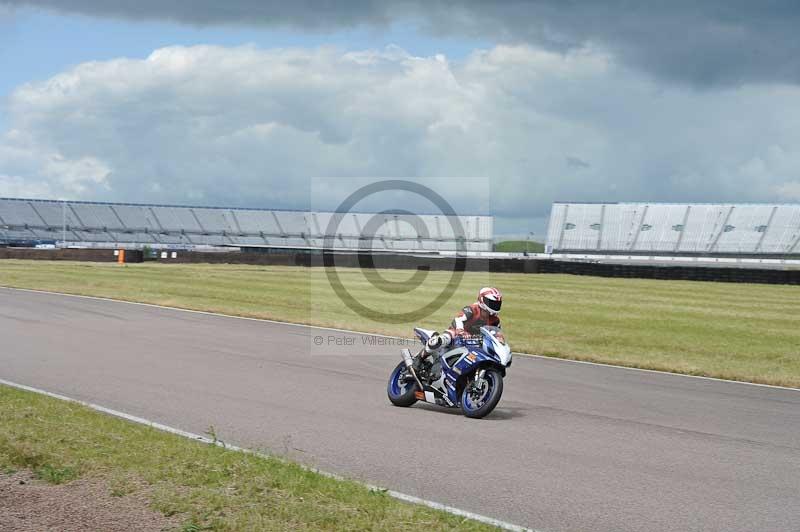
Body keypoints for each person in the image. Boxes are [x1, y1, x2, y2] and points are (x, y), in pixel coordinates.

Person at [421, 287, 503, 360]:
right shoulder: (472, 309)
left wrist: (500, 340)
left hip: (476, 340)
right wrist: (461, 331)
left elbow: (496, 333)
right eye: (492, 303)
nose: (495, 305)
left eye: (497, 303)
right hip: (457, 334)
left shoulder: (495, 319)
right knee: (440, 341)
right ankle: (420, 358)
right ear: (482, 300)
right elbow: (458, 320)